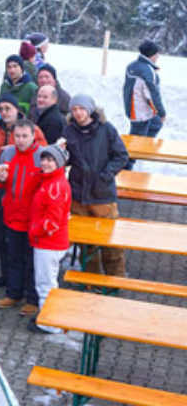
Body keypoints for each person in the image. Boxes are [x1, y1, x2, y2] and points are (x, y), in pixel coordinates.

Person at [0, 93, 46, 288]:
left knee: (17, 240)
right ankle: (6, 276)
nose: (4, 112)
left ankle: (22, 282)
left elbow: (42, 156)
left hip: (19, 190)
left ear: (16, 110)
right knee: (0, 236)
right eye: (1, 108)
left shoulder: (30, 129)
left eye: (8, 108)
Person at [63, 94, 129, 276]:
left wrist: (106, 175)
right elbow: (65, 160)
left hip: (102, 195)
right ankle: (91, 280)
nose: (77, 113)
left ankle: (116, 279)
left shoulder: (106, 129)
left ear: (90, 109)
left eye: (81, 109)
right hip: (78, 196)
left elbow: (121, 156)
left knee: (110, 240)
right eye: (74, 109)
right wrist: (61, 155)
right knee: (87, 242)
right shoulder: (68, 131)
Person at [0, 119, 44, 316]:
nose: (21, 140)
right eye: (18, 136)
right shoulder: (7, 153)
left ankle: (32, 298)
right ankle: (13, 293)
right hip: (11, 215)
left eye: (25, 136)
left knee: (31, 260)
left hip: (33, 220)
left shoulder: (42, 156)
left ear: (33, 136)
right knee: (12, 256)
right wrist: (0, 179)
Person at [27, 145, 71, 334]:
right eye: (44, 159)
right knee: (47, 282)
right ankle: (48, 314)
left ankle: (49, 324)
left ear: (59, 163)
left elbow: (52, 220)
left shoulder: (55, 187)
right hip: (49, 242)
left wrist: (35, 231)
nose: (45, 163)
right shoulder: (51, 180)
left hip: (48, 243)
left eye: (50, 160)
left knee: (45, 283)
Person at [123, 39, 166, 142]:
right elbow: (152, 95)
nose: (158, 56)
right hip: (140, 113)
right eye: (156, 54)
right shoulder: (147, 71)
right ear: (150, 55)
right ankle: (128, 157)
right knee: (136, 141)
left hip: (134, 107)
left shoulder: (132, 65)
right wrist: (161, 112)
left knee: (156, 124)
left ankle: (145, 147)